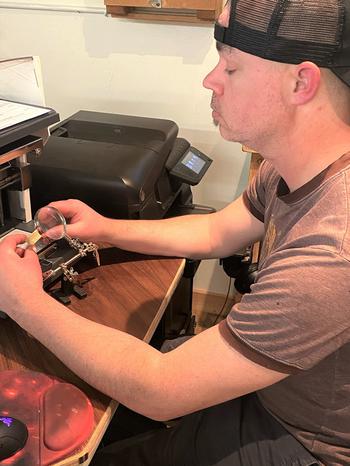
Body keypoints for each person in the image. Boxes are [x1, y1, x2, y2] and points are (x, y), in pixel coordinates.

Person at [1, 0, 350, 464]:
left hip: (304, 439)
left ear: (300, 82)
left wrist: (21, 300)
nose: (210, 80)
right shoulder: (297, 166)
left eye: (231, 68)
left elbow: (160, 389)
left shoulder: (334, 250)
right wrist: (106, 228)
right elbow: (215, 232)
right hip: (274, 385)